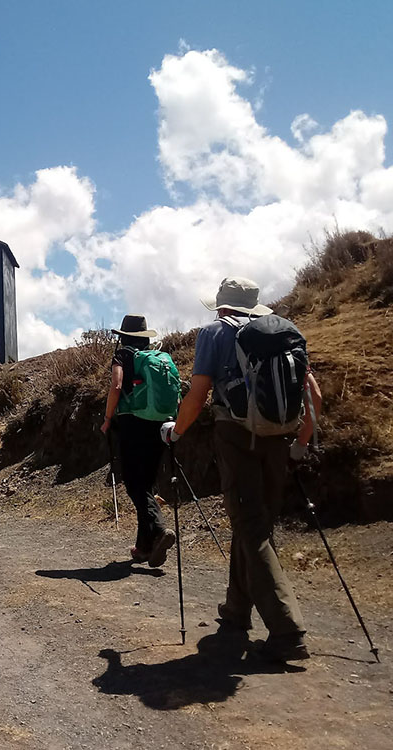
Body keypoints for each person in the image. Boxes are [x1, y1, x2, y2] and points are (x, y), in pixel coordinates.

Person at [160, 277, 322, 662]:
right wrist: (301, 443)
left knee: (250, 525)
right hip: (280, 438)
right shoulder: (286, 332)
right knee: (254, 524)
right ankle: (236, 612)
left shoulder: (214, 334)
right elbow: (313, 395)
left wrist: (176, 432)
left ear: (221, 306)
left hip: (236, 435)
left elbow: (197, 395)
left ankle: (287, 631)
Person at [100, 315, 177, 567]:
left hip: (133, 423)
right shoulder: (153, 356)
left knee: (134, 483)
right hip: (160, 423)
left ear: (123, 336)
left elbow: (116, 385)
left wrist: (108, 418)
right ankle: (144, 547)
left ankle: (158, 529)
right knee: (147, 482)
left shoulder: (123, 355)